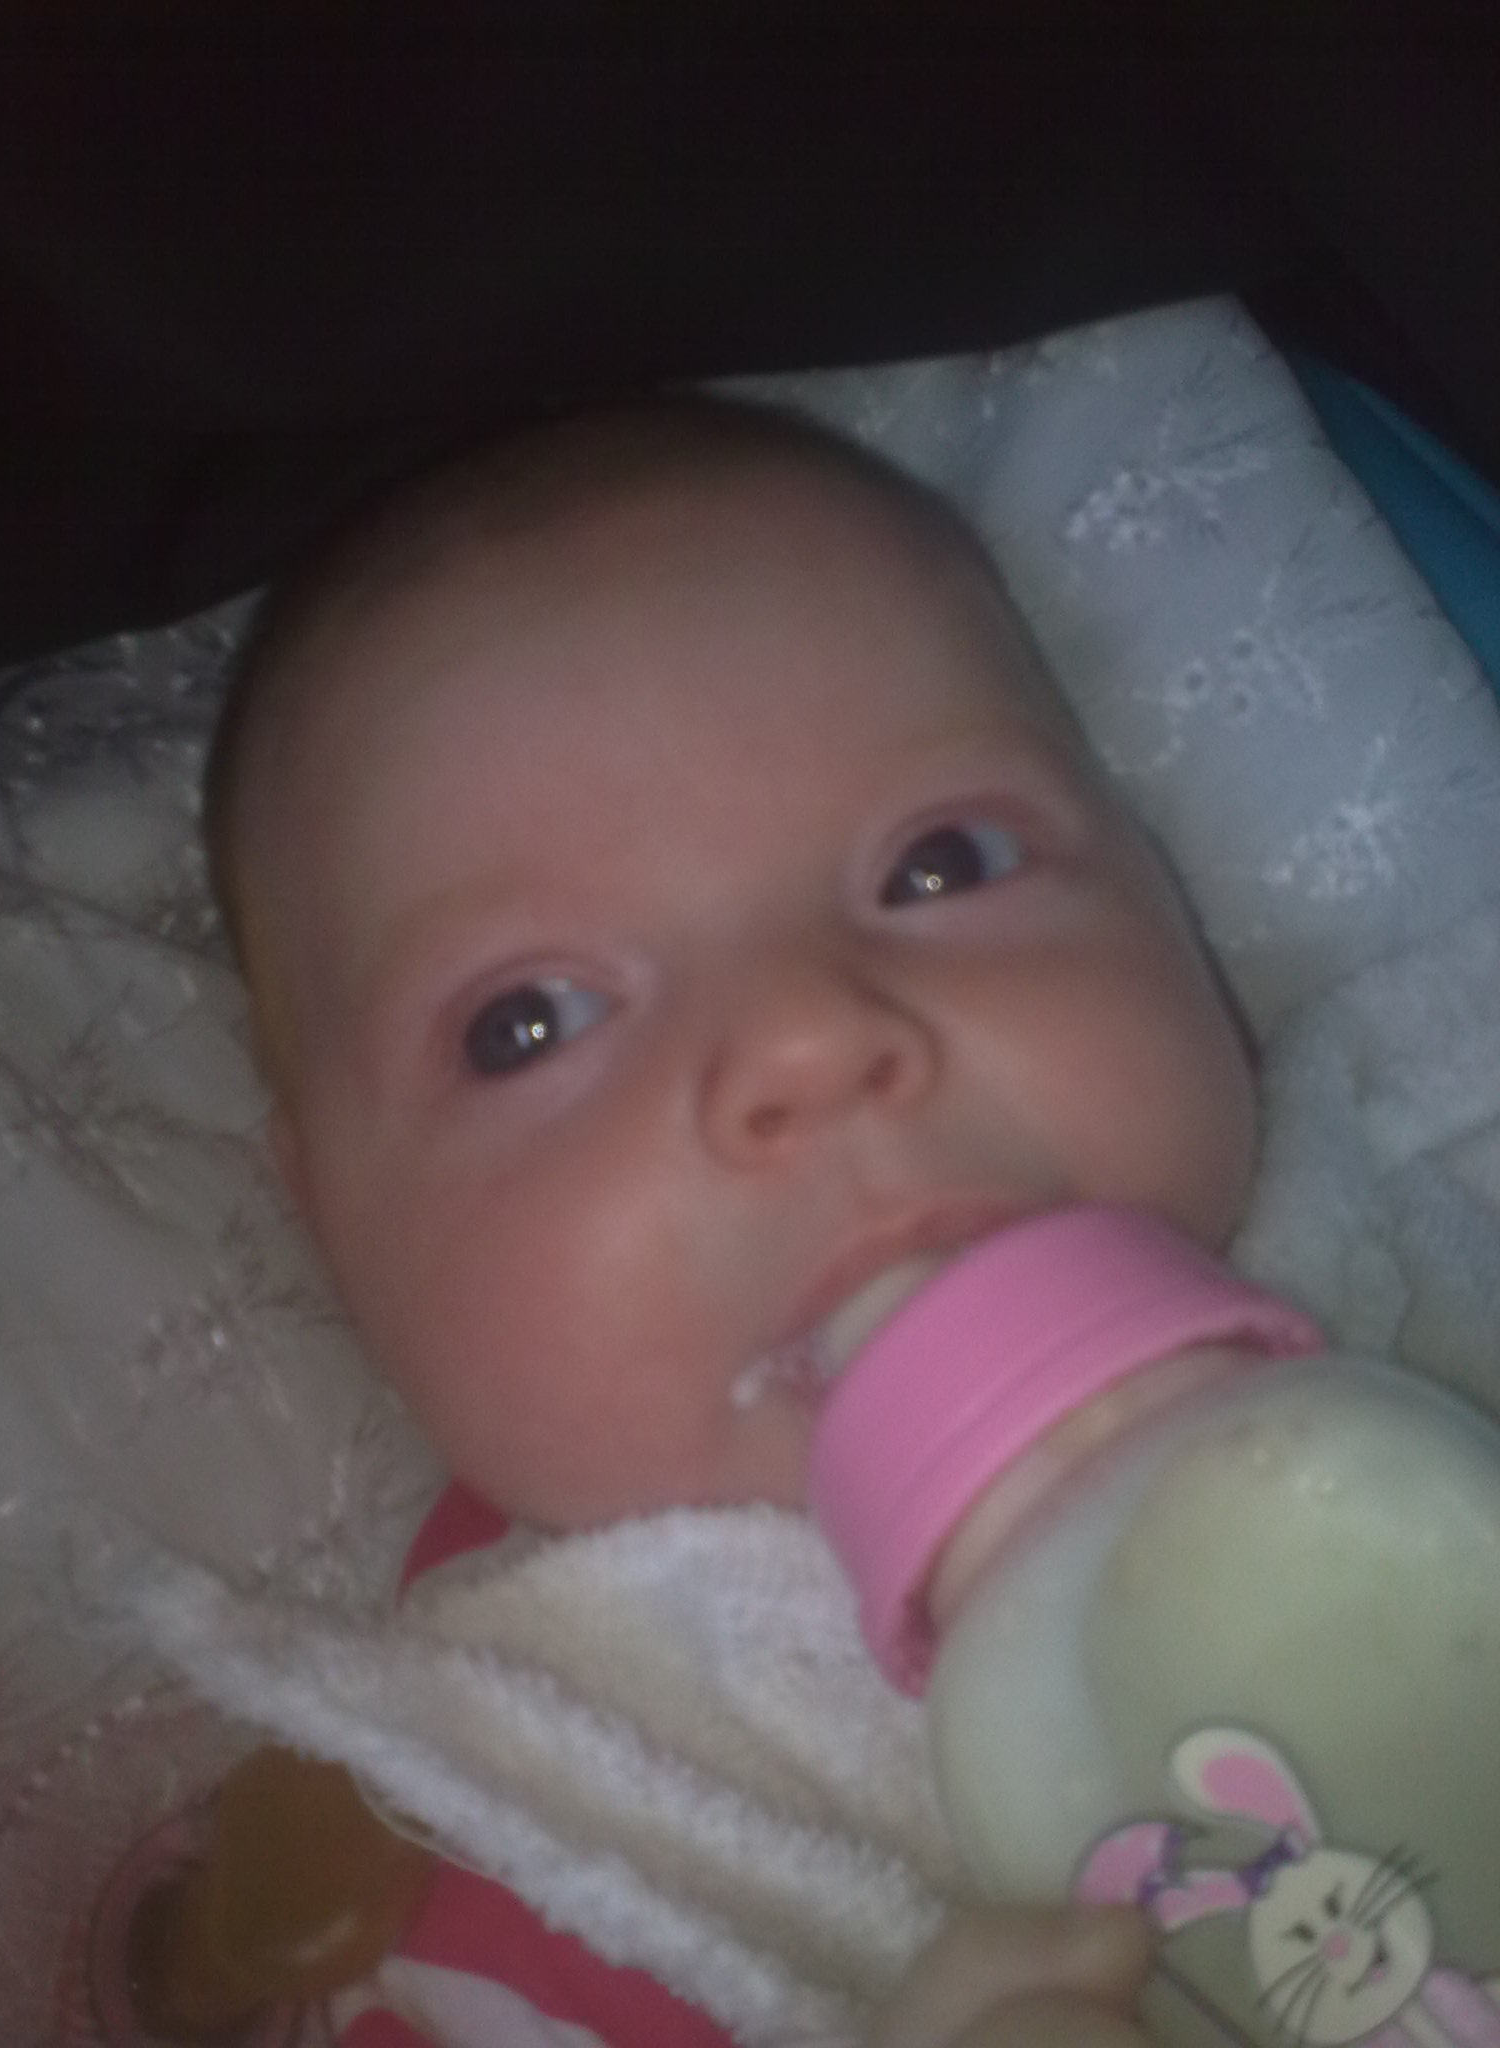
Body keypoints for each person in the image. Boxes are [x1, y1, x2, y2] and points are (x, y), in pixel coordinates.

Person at [178, 393, 1261, 2047]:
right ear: (333, 1230)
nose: (807, 1041)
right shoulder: (513, 1830)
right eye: (531, 1022)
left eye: (940, 864)